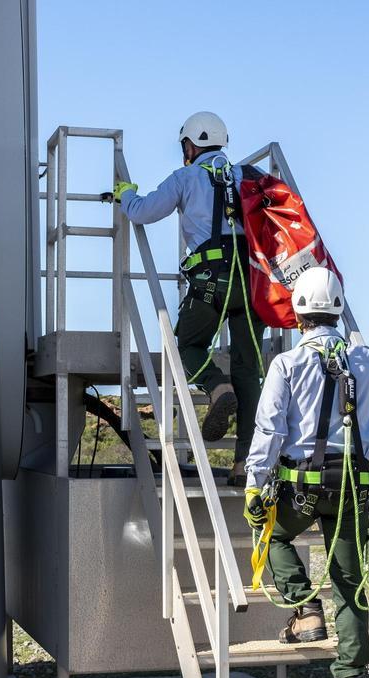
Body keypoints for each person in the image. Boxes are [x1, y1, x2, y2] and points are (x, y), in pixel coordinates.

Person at [241, 267, 369, 678]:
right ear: (339, 310)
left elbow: (268, 429)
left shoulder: (286, 364)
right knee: (351, 584)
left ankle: (305, 610)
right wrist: (360, 346)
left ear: (297, 312)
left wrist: (255, 484)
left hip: (300, 486)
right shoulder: (363, 360)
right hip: (352, 487)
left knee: (270, 533)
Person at [110, 111, 265, 485]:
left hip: (211, 281)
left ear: (190, 145)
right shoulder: (252, 177)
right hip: (254, 282)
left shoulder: (187, 176)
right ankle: (246, 465)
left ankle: (216, 387)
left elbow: (142, 212)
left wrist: (124, 193)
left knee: (186, 347)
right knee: (249, 371)